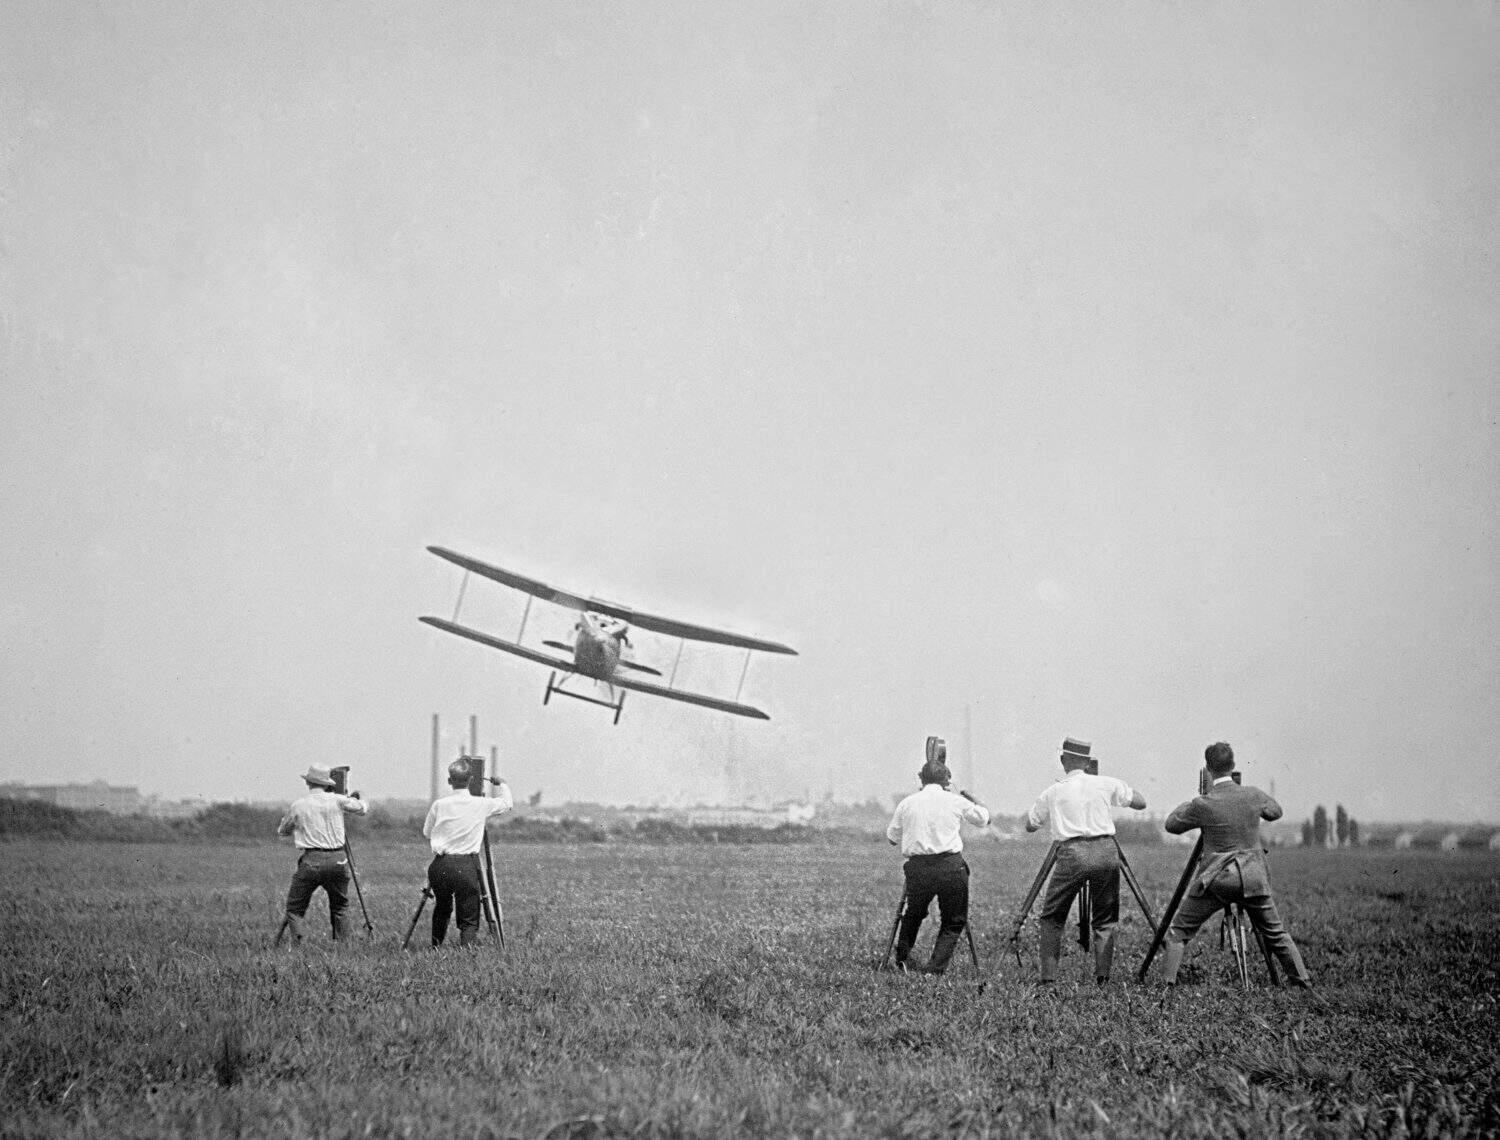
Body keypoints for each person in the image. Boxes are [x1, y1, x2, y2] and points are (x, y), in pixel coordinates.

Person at [1158, 742, 1314, 990]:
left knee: (1178, 931)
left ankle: (1166, 986)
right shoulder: (1252, 794)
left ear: (1208, 769)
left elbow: (1172, 825)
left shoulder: (1202, 803)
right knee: (1276, 933)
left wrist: (1194, 800)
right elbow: (1275, 811)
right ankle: (1303, 982)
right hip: (1254, 877)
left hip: (1217, 879)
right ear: (1233, 766)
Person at [1024, 737, 1147, 984]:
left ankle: (1048, 980)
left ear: (1063, 760)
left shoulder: (1053, 791)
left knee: (1052, 917)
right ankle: (1102, 978)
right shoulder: (1106, 783)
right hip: (1106, 851)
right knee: (1105, 919)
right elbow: (1141, 802)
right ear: (1089, 762)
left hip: (1072, 854)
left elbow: (1030, 825)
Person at [885, 741, 991, 975]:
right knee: (954, 920)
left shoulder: (907, 803)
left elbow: (892, 838)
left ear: (921, 780)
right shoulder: (955, 800)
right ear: (946, 782)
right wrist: (969, 796)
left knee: (913, 914)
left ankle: (901, 959)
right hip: (950, 867)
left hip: (918, 868)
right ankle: (934, 970)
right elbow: (984, 818)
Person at [422, 756, 514, 947]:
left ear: (449, 781)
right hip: (466, 865)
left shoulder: (439, 805)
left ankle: (435, 948)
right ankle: (466, 954)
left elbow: (427, 833)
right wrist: (502, 784)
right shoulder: (480, 804)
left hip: (440, 865)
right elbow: (506, 804)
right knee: (469, 915)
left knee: (442, 907)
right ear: (471, 780)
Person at [276, 764, 370, 943]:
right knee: (340, 906)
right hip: (338, 859)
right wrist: (359, 795)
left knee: (295, 908)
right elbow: (362, 808)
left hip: (311, 860)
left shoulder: (299, 805)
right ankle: (342, 946)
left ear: (309, 783)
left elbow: (283, 831)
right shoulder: (337, 800)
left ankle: (298, 944)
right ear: (328, 784)